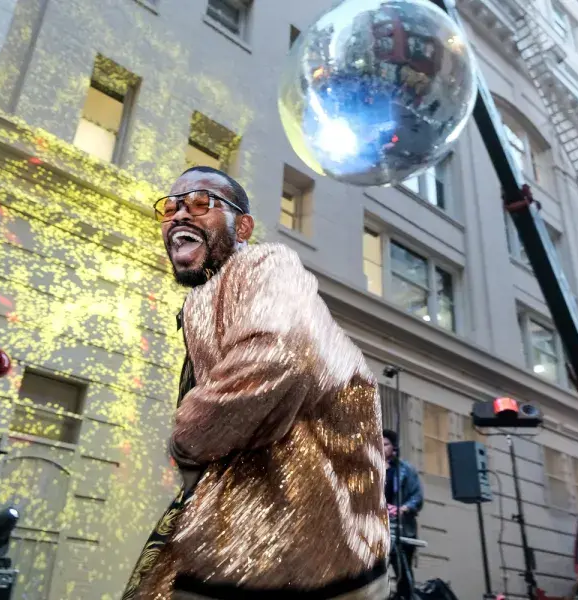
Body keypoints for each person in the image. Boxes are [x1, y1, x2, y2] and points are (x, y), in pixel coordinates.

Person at [123, 166, 390, 599]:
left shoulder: (264, 263)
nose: (178, 216)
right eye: (171, 207)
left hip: (302, 557)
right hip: (234, 548)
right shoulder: (202, 299)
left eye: (200, 203)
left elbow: (279, 354)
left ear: (242, 226)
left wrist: (186, 438)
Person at [383, 429, 424, 600]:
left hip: (400, 527)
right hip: (377, 525)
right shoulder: (370, 469)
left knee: (403, 573)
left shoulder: (406, 470)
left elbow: (417, 497)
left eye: (385, 444)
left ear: (394, 447)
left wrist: (401, 509)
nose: (381, 447)